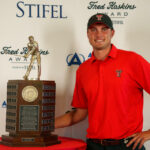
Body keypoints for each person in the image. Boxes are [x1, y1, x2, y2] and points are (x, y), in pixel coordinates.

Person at [55, 13, 150, 150]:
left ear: (112, 33)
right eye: (93, 29)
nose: (98, 34)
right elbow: (78, 114)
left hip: (128, 145)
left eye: (104, 29)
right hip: (94, 146)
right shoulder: (83, 70)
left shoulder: (132, 60)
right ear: (87, 34)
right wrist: (44, 126)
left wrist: (149, 133)